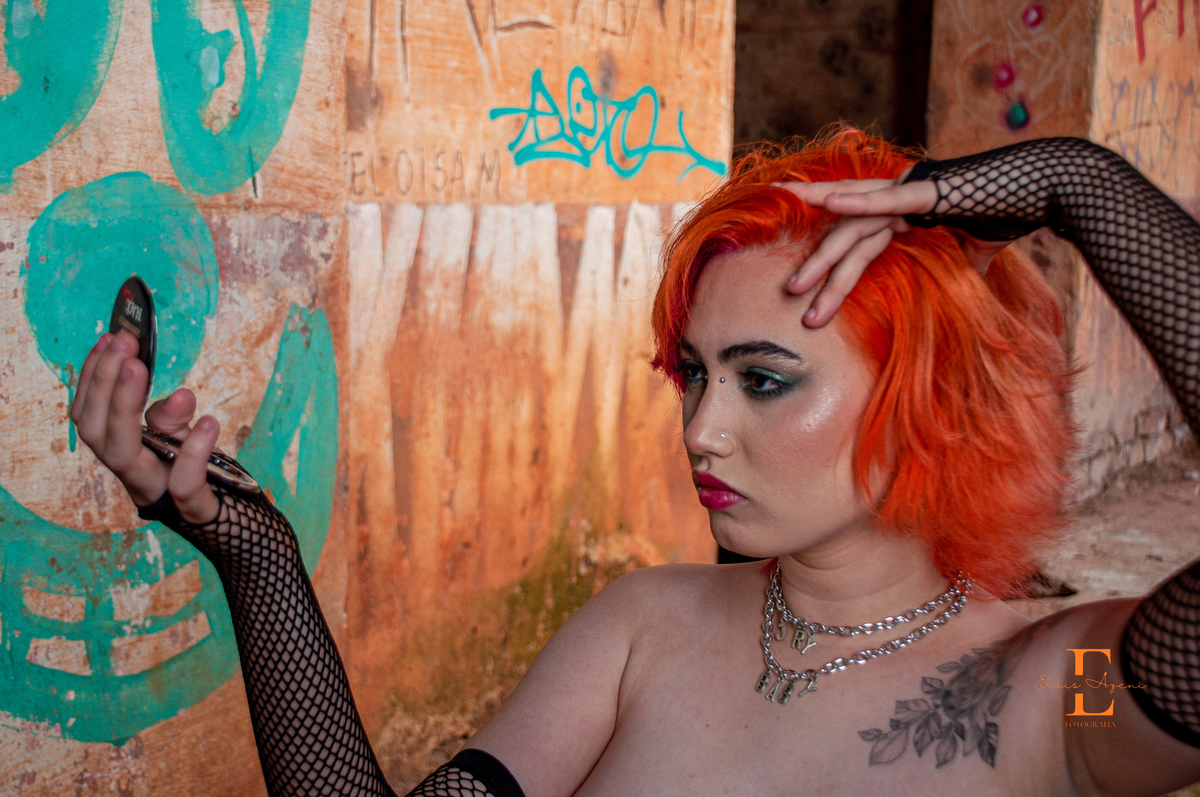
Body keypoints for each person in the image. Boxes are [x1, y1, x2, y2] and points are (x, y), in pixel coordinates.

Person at [70, 128, 1200, 796]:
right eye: (694, 374)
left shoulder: (1062, 689)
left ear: (929, 403)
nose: (701, 430)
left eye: (765, 380)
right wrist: (255, 554)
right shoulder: (642, 625)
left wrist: (1081, 186)